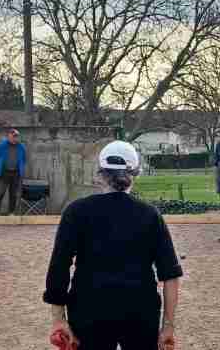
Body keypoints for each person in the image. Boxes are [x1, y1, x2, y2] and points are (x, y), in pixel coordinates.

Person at [43, 141, 183, 350]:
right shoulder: (150, 215)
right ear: (134, 174)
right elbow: (170, 275)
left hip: (89, 309)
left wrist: (58, 319)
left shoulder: (76, 211)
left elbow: (59, 266)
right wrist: (168, 327)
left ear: (100, 174)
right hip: (140, 311)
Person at [0, 128, 27, 215]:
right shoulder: (2, 145)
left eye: (17, 137)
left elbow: (24, 159)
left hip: (16, 173)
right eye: (13, 136)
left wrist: (21, 169)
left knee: (13, 194)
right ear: (9, 136)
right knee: (0, 193)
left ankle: (11, 212)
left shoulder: (21, 147)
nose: (15, 138)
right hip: (4, 173)